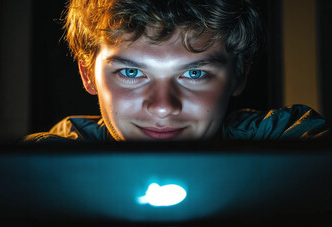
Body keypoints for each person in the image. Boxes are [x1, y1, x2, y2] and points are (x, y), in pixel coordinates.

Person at [25, 0, 330, 143]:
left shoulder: (288, 142)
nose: (162, 106)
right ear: (88, 75)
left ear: (238, 76)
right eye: (131, 73)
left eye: (194, 74)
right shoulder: (44, 165)